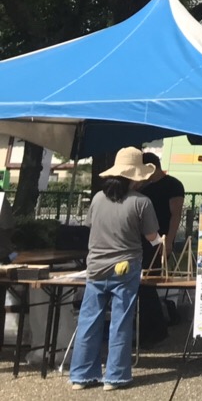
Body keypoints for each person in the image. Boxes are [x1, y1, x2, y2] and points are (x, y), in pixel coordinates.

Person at [70, 147, 161, 391]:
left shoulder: (98, 198)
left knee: (89, 320)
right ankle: (115, 377)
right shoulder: (142, 202)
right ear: (134, 176)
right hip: (126, 266)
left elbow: (91, 226)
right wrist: (161, 241)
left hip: (96, 266)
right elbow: (152, 236)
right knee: (120, 321)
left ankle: (81, 376)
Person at [136, 152, 185, 345]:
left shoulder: (172, 185)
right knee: (143, 285)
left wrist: (169, 240)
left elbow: (176, 215)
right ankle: (148, 329)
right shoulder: (142, 187)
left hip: (158, 238)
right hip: (139, 240)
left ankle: (155, 330)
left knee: (148, 283)